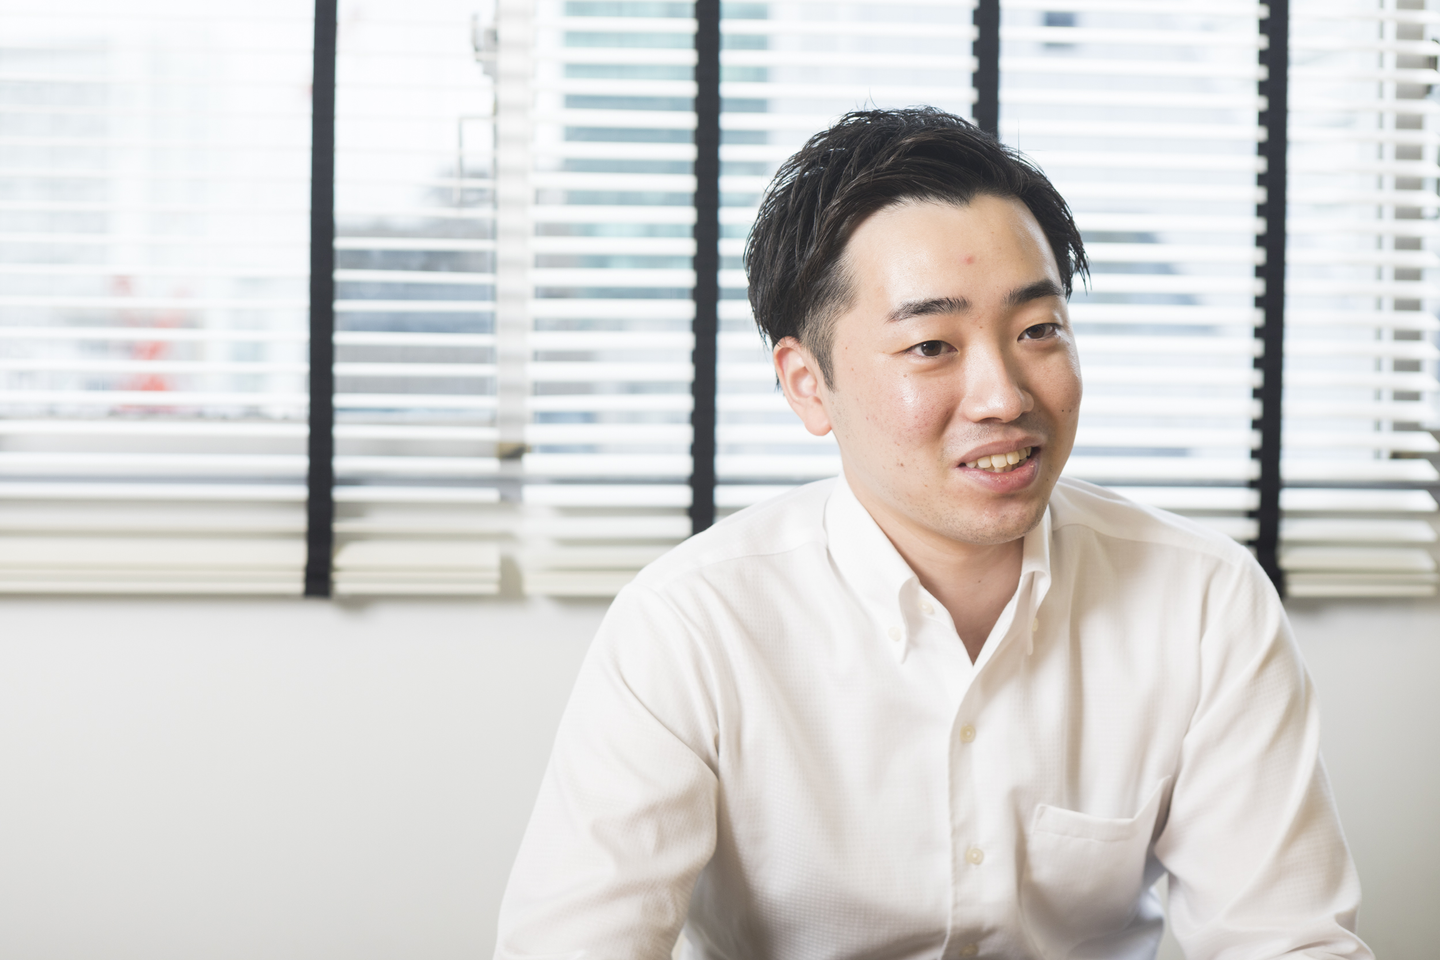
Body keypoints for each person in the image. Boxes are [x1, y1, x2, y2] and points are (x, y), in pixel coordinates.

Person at [495, 107, 1371, 960]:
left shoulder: (1205, 602)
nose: (1003, 397)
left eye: (1038, 330)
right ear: (807, 384)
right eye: (931, 346)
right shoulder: (690, 624)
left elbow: (1285, 940)